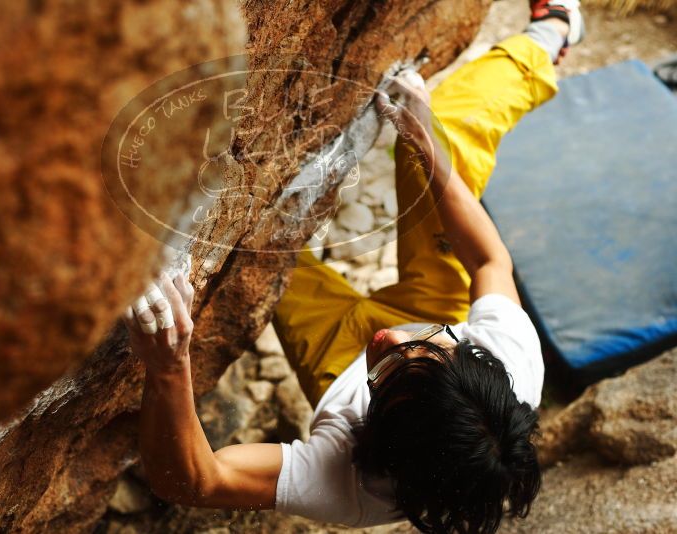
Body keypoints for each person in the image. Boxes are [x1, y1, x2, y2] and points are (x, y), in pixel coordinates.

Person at [124, 1, 585, 532]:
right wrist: (428, 145)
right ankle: (553, 30)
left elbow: (193, 482)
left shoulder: (345, 485)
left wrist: (167, 365)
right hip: (435, 306)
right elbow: (487, 259)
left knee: (257, 258)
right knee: (447, 130)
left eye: (388, 371)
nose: (388, 337)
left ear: (370, 438)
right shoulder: (509, 362)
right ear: (472, 357)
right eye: (434, 345)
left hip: (338, 356)